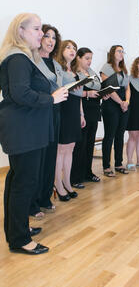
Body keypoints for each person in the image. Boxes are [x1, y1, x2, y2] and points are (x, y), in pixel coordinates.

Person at [0, 13, 68, 254]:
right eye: (37, 29)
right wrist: (51, 98)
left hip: (24, 128)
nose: (42, 34)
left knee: (17, 180)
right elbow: (21, 94)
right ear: (21, 31)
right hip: (24, 129)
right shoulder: (18, 58)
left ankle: (16, 230)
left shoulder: (21, 57)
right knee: (24, 183)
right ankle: (19, 240)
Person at [30, 24, 63, 218]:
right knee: (38, 160)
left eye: (54, 38)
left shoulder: (55, 64)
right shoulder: (31, 61)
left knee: (50, 156)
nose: (51, 41)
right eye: (47, 36)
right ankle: (32, 203)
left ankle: (44, 198)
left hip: (55, 112)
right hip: (40, 113)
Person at [54, 40, 86, 200]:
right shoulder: (57, 68)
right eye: (68, 47)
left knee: (70, 148)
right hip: (63, 109)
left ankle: (67, 182)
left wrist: (81, 115)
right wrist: (71, 87)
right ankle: (58, 184)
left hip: (74, 111)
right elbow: (57, 88)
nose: (72, 50)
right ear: (61, 50)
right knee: (61, 149)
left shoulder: (76, 72)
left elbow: (79, 97)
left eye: (74, 48)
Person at [70, 47, 102, 187]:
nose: (90, 61)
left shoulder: (92, 72)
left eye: (91, 58)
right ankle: (75, 177)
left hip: (94, 110)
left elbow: (98, 87)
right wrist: (87, 94)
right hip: (83, 110)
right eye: (87, 58)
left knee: (90, 144)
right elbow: (72, 91)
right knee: (79, 145)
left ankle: (87, 172)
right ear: (78, 58)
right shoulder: (74, 73)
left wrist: (102, 93)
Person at [100, 45, 130, 177]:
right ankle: (106, 166)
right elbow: (109, 89)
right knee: (109, 136)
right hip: (111, 104)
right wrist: (121, 102)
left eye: (123, 51)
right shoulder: (106, 68)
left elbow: (128, 88)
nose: (121, 53)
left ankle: (119, 163)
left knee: (120, 135)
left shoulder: (123, 69)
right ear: (112, 53)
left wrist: (127, 102)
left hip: (123, 104)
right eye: (119, 51)